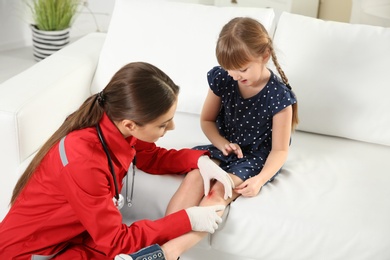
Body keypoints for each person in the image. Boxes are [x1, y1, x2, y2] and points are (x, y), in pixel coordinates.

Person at [0, 62, 234, 260]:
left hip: (74, 241)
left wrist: (200, 160)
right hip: (33, 254)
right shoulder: (84, 159)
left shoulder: (115, 121)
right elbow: (117, 241)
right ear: (130, 125)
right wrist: (188, 219)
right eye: (163, 124)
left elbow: (151, 157)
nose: (172, 127)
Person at [159, 17, 299, 259]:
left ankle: (169, 253)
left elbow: (279, 151)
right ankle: (158, 240)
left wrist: (260, 181)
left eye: (242, 69)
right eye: (229, 69)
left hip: (256, 158)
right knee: (195, 176)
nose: (235, 76)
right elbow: (207, 121)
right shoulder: (224, 79)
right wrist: (221, 143)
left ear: (265, 55)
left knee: (218, 190)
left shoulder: (279, 98)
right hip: (223, 147)